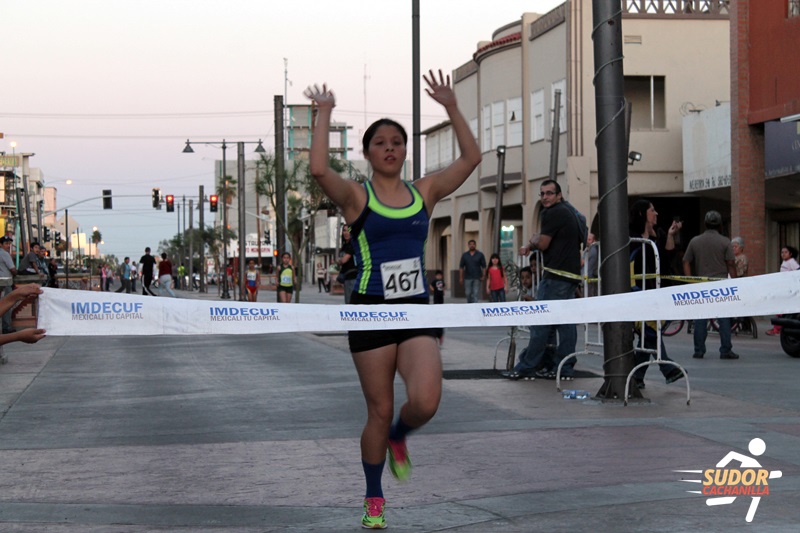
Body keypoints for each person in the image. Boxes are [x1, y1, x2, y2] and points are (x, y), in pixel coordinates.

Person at [304, 68, 481, 530]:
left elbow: (472, 157)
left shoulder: (424, 192)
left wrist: (451, 107)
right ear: (367, 153)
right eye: (380, 142)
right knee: (379, 410)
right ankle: (374, 495)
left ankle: (401, 437)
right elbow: (319, 169)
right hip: (369, 311)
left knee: (425, 401)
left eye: (396, 142)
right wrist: (324, 113)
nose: (389, 147)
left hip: (415, 309)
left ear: (405, 151)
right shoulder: (357, 198)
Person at [505, 179, 584, 380]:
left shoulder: (551, 213)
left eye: (549, 193)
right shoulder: (570, 211)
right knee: (566, 325)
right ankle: (563, 368)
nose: (545, 198)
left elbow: (545, 243)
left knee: (540, 321)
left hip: (556, 275)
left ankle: (526, 367)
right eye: (542, 194)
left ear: (559, 195)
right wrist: (534, 244)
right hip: (571, 275)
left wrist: (533, 241)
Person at [628, 199, 685, 389]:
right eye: (652, 210)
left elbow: (667, 258)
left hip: (656, 290)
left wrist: (670, 235)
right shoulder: (631, 237)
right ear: (642, 214)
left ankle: (637, 376)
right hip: (639, 291)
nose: (656, 213)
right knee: (650, 331)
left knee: (649, 334)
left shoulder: (657, 234)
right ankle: (667, 367)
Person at [683, 210, 739, 359]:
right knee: (723, 317)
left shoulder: (695, 241)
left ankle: (699, 350)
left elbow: (686, 261)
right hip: (720, 284)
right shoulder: (725, 241)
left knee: (701, 317)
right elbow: (731, 264)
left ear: (705, 224)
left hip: (701, 284)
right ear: (720, 224)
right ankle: (725, 349)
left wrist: (690, 280)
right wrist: (736, 283)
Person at [766, 245, 799, 336]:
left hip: (789, 289)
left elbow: (797, 271)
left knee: (781, 309)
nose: (783, 254)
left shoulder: (791, 262)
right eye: (782, 252)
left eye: (785, 252)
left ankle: (778, 328)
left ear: (790, 254)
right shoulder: (785, 262)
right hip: (783, 287)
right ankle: (778, 328)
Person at [0, 236, 19, 334]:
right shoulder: (5, 254)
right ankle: (6, 326)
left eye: (9, 244)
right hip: (6, 282)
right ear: (1, 244)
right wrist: (16, 273)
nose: (8, 246)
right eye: (6, 244)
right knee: (7, 304)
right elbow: (12, 269)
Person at [338, 225, 358, 303]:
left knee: (350, 302)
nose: (346, 233)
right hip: (346, 277)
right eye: (344, 230)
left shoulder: (352, 244)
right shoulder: (344, 246)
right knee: (348, 301)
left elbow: (344, 260)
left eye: (348, 231)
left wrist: (338, 261)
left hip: (353, 276)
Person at [586, 232, 599, 296]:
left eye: (589, 239)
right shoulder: (589, 249)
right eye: (587, 239)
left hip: (588, 276)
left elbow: (582, 263)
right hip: (587, 275)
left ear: (594, 240)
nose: (587, 241)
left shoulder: (592, 250)